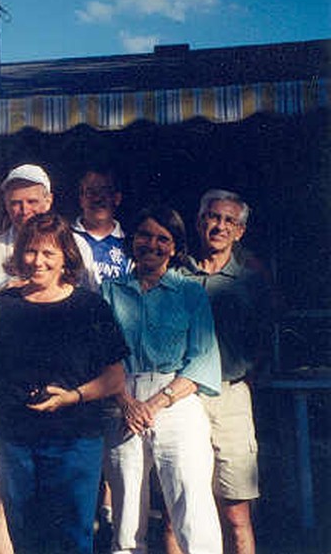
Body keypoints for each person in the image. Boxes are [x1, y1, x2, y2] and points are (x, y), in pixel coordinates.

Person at [0, 212, 127, 554]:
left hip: (74, 439)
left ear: (66, 257)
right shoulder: (3, 306)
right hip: (16, 441)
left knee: (72, 539)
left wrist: (73, 397)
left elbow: (115, 378)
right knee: (25, 536)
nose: (38, 261)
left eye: (49, 253)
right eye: (31, 251)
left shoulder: (89, 307)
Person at [100, 206, 222, 554]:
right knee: (125, 517)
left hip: (175, 401)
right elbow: (99, 355)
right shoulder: (109, 291)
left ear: (174, 247)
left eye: (162, 238)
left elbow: (202, 360)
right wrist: (127, 403)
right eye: (144, 235)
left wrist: (153, 404)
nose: (151, 244)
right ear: (132, 240)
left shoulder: (190, 293)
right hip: (122, 400)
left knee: (192, 506)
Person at [175, 189, 270, 554]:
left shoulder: (249, 280)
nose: (220, 226)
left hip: (230, 396)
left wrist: (248, 376)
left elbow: (265, 332)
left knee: (236, 513)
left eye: (230, 221)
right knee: (178, 511)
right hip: (183, 398)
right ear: (200, 222)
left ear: (240, 231)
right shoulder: (175, 275)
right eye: (213, 217)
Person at [0, 163, 97, 294]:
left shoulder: (76, 245)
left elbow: (90, 297)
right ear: (6, 205)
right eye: (15, 203)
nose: (24, 210)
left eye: (32, 202)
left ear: (48, 201)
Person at [72, 166, 130, 282]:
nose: (98, 199)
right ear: (81, 199)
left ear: (117, 198)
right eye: (91, 192)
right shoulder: (64, 238)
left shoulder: (129, 245)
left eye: (105, 192)